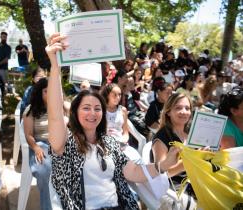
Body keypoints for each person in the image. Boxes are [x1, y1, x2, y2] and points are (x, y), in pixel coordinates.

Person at [46, 33, 180, 209]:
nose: (92, 113)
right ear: (75, 113)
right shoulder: (64, 143)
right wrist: (54, 65)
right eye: (86, 108)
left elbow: (133, 172)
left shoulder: (109, 143)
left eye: (97, 108)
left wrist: (164, 165)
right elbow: (55, 114)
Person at [151, 93, 195, 200]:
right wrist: (190, 161)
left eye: (187, 108)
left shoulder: (190, 132)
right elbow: (162, 173)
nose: (184, 112)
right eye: (178, 108)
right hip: (176, 190)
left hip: (194, 180)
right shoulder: (162, 137)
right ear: (168, 112)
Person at [22, 78, 52, 210]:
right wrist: (36, 147)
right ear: (40, 92)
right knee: (44, 171)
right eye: (46, 91)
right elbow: (28, 135)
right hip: (40, 144)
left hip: (59, 144)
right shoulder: (31, 110)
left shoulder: (58, 106)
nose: (50, 93)